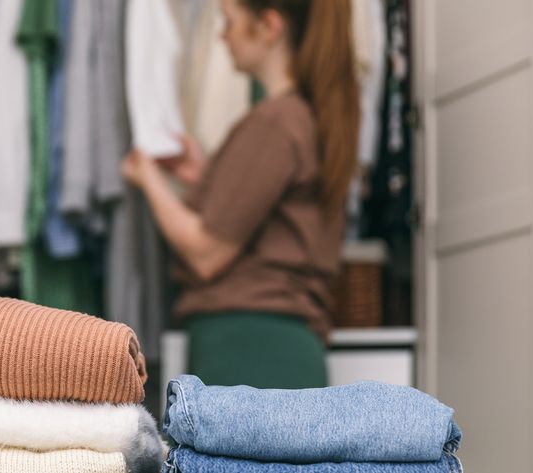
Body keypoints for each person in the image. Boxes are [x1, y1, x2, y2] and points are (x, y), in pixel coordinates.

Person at [121, 0, 359, 389]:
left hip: (246, 348)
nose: (221, 35)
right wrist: (206, 179)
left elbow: (206, 253)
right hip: (279, 347)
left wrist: (148, 179)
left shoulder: (274, 123)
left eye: (229, 21)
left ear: (269, 27)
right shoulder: (305, 117)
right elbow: (271, 225)